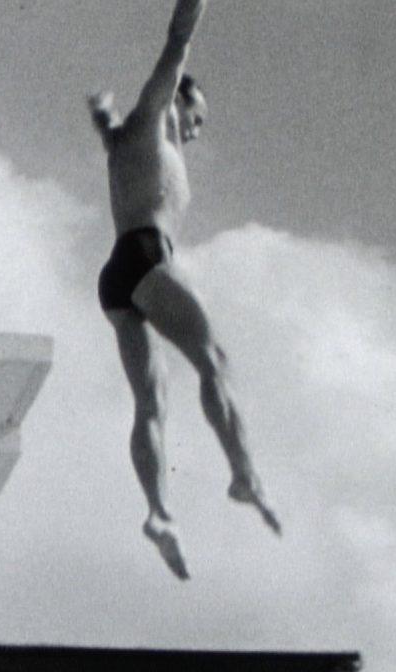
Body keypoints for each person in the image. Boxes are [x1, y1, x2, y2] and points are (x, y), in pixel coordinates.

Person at [88, 0, 280, 580]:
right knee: (213, 359)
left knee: (152, 403)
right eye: (199, 115)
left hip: (117, 276)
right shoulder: (154, 117)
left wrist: (101, 118)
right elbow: (178, 41)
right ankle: (244, 475)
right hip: (147, 256)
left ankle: (159, 514)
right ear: (180, 99)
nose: (199, 128)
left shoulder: (127, 141)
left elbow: (108, 134)